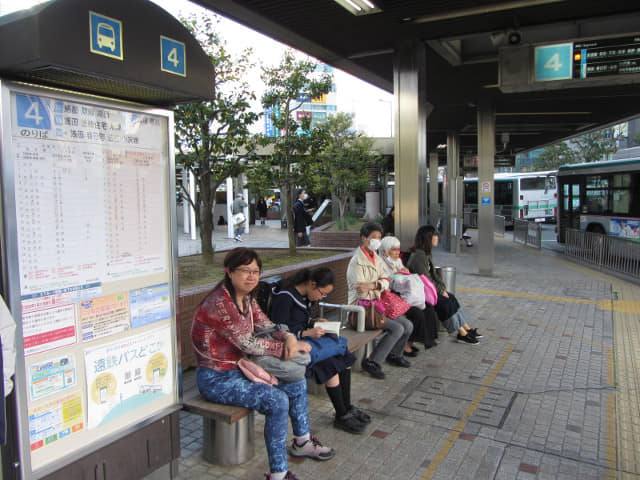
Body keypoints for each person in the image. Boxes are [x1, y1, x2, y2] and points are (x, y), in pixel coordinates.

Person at [192, 248, 335, 480]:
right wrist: (285, 346)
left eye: (256, 272)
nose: (251, 277)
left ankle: (302, 441)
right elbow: (247, 343)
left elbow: (265, 324)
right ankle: (278, 474)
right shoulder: (219, 303)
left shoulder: (247, 297)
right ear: (228, 272)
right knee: (277, 400)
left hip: (242, 368)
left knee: (296, 382)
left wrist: (287, 336)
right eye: (245, 271)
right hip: (216, 377)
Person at [270, 268, 371, 434]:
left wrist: (314, 321)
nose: (321, 298)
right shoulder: (285, 297)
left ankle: (347, 406)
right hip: (291, 348)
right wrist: (305, 333)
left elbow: (300, 320)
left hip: (307, 343)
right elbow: (277, 330)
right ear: (312, 284)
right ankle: (341, 414)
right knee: (330, 365)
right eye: (322, 293)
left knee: (344, 358)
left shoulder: (304, 297)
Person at [347, 222, 414, 379]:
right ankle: (372, 361)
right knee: (397, 328)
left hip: (375, 306)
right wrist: (378, 285)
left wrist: (374, 285)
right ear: (364, 239)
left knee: (408, 325)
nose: (377, 240)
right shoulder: (356, 261)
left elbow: (386, 281)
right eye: (373, 237)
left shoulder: (376, 258)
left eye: (379, 237)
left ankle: (394, 354)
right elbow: (360, 290)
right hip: (361, 310)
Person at [406, 225, 483, 345]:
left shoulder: (426, 253)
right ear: (427, 238)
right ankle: (461, 333)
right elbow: (426, 280)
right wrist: (441, 291)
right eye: (434, 235)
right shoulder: (419, 256)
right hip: (421, 292)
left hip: (428, 290)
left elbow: (433, 277)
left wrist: (442, 289)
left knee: (451, 298)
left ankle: (466, 328)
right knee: (445, 302)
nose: (437, 238)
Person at [378, 236, 438, 353]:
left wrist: (405, 272)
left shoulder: (397, 261)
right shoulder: (380, 264)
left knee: (428, 307)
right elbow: (385, 285)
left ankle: (422, 340)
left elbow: (403, 277)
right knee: (416, 313)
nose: (397, 253)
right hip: (390, 299)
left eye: (398, 249)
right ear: (384, 250)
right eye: (393, 250)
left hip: (403, 296)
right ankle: (405, 345)